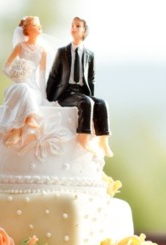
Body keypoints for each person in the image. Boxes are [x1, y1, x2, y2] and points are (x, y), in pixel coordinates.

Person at [46, 17, 113, 157]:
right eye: (72, 25)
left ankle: (103, 140)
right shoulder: (62, 52)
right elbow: (53, 75)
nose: (73, 28)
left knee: (101, 103)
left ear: (84, 31)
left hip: (81, 92)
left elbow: (91, 78)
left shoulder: (90, 55)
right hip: (66, 93)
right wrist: (49, 96)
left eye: (77, 26)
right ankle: (83, 138)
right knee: (85, 102)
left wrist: (92, 96)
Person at [0, 16, 48, 146]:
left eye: (39, 25)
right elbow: (5, 67)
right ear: (27, 29)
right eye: (35, 25)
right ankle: (29, 119)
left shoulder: (43, 51)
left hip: (34, 87)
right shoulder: (20, 47)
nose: (39, 28)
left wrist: (44, 96)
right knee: (23, 88)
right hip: (20, 84)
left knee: (29, 92)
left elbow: (42, 76)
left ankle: (17, 131)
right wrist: (17, 76)